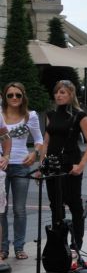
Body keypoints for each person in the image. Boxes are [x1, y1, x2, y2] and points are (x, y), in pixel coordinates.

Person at [39, 80, 87, 254]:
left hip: (71, 164)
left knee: (74, 205)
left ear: (71, 94)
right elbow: (46, 142)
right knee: (55, 205)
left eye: (63, 92)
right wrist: (43, 164)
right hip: (53, 166)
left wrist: (81, 165)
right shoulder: (51, 114)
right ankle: (59, 244)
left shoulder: (80, 115)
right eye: (57, 92)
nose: (59, 95)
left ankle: (76, 244)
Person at [2, 83, 39, 261]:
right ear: (5, 97)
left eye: (18, 95)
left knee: (19, 209)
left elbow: (39, 140)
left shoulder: (30, 116)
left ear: (23, 96)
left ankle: (18, 247)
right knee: (1, 210)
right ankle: (3, 248)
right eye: (10, 95)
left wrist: (36, 154)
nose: (14, 98)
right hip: (1, 165)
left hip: (21, 164)